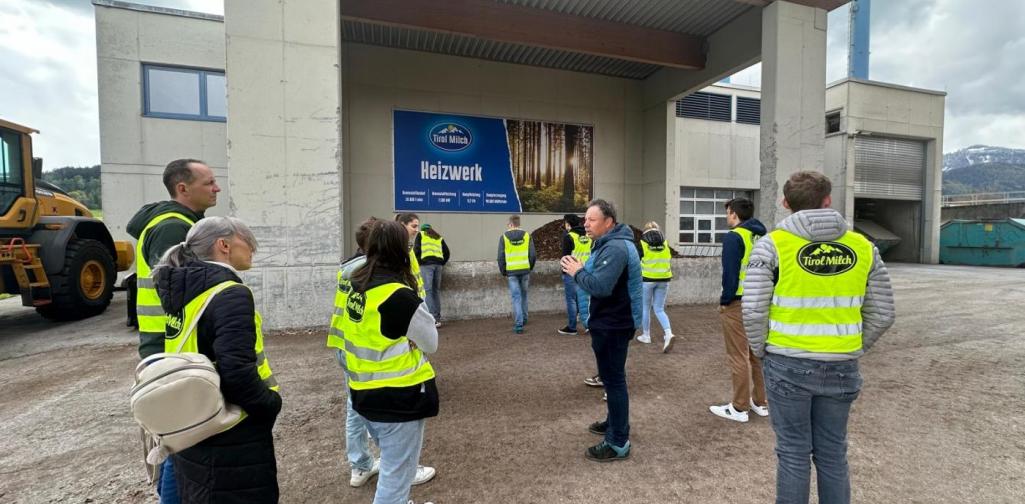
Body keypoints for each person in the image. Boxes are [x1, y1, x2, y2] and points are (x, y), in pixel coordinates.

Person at [743, 171, 895, 504]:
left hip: (787, 364)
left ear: (786, 204)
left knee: (794, 453)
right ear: (827, 201)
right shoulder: (863, 246)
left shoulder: (772, 245)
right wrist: (851, 346)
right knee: (832, 454)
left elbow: (753, 310)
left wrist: (761, 350)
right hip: (842, 365)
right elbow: (883, 313)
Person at [152, 217, 281, 504]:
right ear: (224, 245)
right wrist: (269, 405)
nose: (252, 250)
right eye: (247, 242)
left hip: (191, 414)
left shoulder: (184, 286)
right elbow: (236, 371)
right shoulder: (230, 293)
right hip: (228, 426)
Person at [126, 158, 219, 504]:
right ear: (183, 188)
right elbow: (179, 289)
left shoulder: (180, 223)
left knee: (182, 438)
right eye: (208, 182)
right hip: (171, 348)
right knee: (182, 441)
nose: (216, 188)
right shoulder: (172, 228)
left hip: (169, 343)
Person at [327, 218, 436, 490]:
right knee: (395, 478)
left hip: (361, 383)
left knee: (390, 459)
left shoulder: (354, 281)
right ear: (401, 250)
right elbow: (431, 342)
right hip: (398, 393)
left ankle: (362, 466)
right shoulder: (397, 294)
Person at [560, 199, 642, 462]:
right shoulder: (608, 244)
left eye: (591, 219)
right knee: (611, 379)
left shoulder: (616, 248)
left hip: (614, 324)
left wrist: (577, 271)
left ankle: (618, 442)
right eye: (585, 219)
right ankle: (613, 422)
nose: (585, 223)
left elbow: (600, 287)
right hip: (609, 322)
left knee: (614, 381)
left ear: (609, 222)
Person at [709, 197, 768, 422]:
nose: (727, 217)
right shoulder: (763, 236)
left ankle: (739, 407)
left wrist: (725, 300)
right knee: (756, 354)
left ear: (734, 213)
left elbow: (730, 273)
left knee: (738, 355)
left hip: (738, 302)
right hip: (760, 300)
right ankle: (761, 402)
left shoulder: (735, 237)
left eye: (727, 213)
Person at [637, 221, 676, 352]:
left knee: (645, 308)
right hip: (664, 279)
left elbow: (637, 261)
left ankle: (646, 335)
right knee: (659, 309)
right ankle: (668, 333)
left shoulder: (642, 243)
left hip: (647, 279)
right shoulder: (665, 243)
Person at [497, 215, 535, 334]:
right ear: (518, 223)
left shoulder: (503, 237)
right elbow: (533, 255)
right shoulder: (527, 236)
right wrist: (529, 267)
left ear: (511, 224)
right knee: (524, 295)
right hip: (525, 270)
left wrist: (504, 271)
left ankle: (519, 325)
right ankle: (524, 318)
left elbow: (500, 257)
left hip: (512, 272)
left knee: (516, 297)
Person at [558, 214, 591, 336]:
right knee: (585, 300)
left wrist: (564, 272)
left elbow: (565, 257)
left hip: (571, 272)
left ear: (568, 224)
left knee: (571, 299)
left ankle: (572, 327)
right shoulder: (588, 236)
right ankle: (589, 325)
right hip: (585, 271)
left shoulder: (569, 237)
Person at [413, 223, 450, 327]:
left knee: (428, 291)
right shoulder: (438, 237)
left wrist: (420, 262)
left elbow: (416, 250)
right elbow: (447, 252)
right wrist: (441, 262)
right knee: (435, 291)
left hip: (426, 265)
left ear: (422, 229)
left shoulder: (421, 234)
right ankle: (437, 318)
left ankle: (431, 319)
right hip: (438, 266)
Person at [395, 213, 426, 299]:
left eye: (417, 227)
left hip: (417, 294)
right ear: (402, 225)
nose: (417, 230)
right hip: (410, 296)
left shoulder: (408, 245)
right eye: (414, 226)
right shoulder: (399, 246)